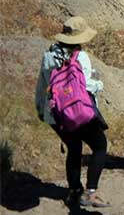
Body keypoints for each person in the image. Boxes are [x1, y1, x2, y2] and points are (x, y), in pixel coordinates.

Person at [35, 17, 111, 208]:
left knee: (74, 149)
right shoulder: (80, 57)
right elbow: (86, 87)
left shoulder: (48, 56)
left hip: (56, 114)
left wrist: (40, 110)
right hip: (79, 112)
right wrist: (99, 83)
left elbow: (42, 85)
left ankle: (74, 191)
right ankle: (91, 191)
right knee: (100, 146)